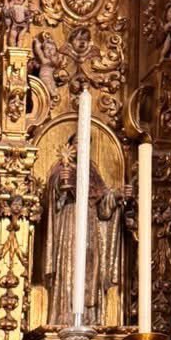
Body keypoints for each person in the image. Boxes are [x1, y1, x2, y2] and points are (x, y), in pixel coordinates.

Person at [42, 136, 125, 325]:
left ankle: (89, 318)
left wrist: (115, 196)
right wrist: (60, 186)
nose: (82, 147)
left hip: (91, 224)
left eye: (86, 143)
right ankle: (66, 316)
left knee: (91, 266)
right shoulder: (62, 168)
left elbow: (104, 209)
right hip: (70, 222)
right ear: (70, 146)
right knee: (70, 264)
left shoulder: (92, 172)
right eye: (79, 143)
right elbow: (54, 197)